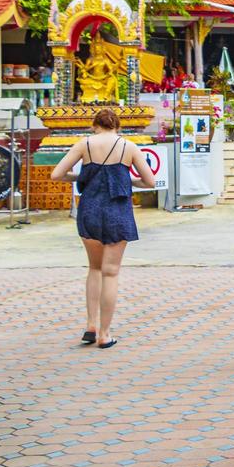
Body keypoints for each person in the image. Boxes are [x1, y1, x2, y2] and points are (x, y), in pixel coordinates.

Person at [50, 107, 158, 349]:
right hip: (117, 212)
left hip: (89, 210)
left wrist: (82, 178)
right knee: (111, 272)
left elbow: (57, 174)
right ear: (116, 126)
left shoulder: (84, 144)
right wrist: (126, 179)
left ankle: (90, 324)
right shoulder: (128, 146)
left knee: (95, 268)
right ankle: (105, 334)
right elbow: (149, 181)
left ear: (94, 125)